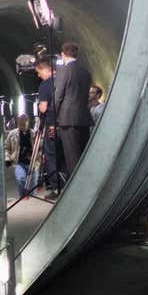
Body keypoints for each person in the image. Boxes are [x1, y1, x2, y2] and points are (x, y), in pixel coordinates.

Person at [52, 42, 93, 182]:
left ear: (63, 54)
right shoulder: (86, 71)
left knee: (72, 159)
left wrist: (53, 119)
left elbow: (58, 97)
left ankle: (76, 190)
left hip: (67, 120)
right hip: (84, 118)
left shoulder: (64, 71)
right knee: (83, 157)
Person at [34, 58, 59, 195]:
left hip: (51, 123)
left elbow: (43, 108)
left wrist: (40, 105)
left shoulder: (45, 85)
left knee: (50, 155)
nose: (39, 75)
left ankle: (55, 186)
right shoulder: (63, 79)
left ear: (46, 70)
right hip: (66, 123)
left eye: (39, 72)